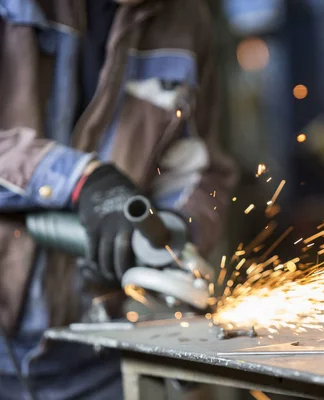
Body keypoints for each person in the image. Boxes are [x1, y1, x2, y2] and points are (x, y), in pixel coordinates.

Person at [0, 0, 236, 398]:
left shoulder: (184, 18)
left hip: (102, 354)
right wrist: (82, 181)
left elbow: (203, 170)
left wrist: (174, 229)